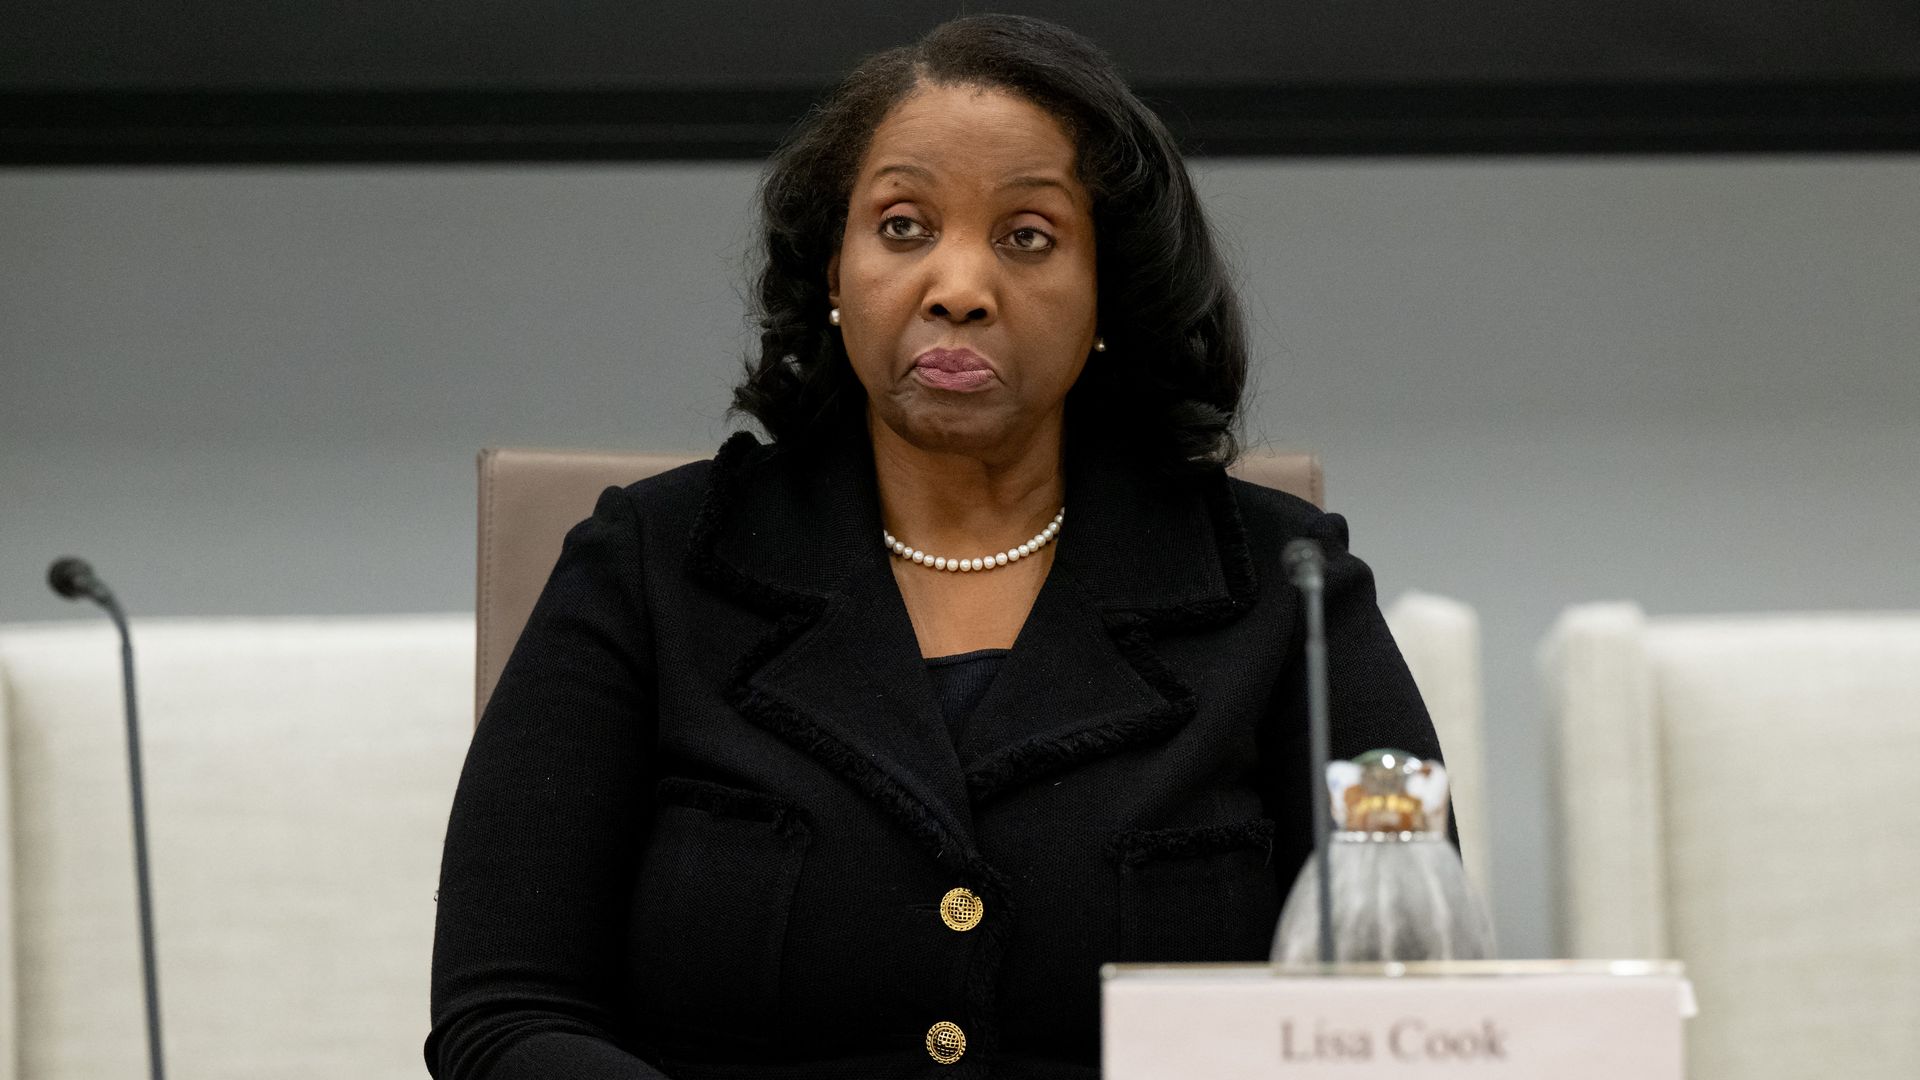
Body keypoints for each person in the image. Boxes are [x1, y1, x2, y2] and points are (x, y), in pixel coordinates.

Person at [426, 14, 1446, 1079]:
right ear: (834, 269)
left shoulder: (1285, 595)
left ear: (1109, 290)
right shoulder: (650, 564)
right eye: (904, 226)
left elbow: (1405, 1017)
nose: (958, 286)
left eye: (1028, 236)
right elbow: (505, 1017)